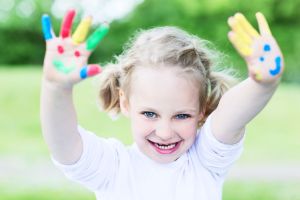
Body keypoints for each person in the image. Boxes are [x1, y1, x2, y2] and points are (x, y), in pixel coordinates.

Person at [40, 10, 284, 200]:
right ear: (125, 102)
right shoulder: (113, 167)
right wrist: (55, 87)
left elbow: (232, 113)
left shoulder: (205, 160)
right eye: (149, 113)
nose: (165, 132)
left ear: (202, 110)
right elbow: (65, 143)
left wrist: (262, 84)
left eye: (181, 116)